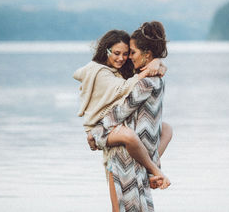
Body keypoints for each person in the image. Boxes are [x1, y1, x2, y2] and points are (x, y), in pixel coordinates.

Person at [73, 29, 172, 188]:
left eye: (126, 54)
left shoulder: (120, 70)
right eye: (116, 53)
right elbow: (123, 88)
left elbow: (142, 74)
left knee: (166, 129)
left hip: (116, 122)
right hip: (100, 127)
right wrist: (148, 70)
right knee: (129, 136)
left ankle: (148, 168)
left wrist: (157, 61)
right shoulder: (99, 72)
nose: (121, 58)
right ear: (106, 50)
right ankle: (154, 170)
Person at [91, 21, 170, 211]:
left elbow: (120, 113)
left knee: (122, 207)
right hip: (134, 150)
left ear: (147, 54)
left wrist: (95, 132)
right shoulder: (152, 77)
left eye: (131, 52)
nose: (127, 57)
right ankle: (153, 166)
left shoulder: (145, 82)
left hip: (125, 155)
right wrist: (157, 62)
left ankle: (153, 168)